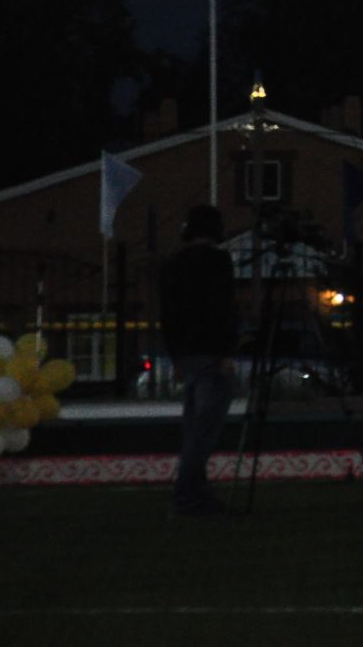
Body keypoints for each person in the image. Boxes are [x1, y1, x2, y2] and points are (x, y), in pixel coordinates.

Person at [159, 203, 238, 518]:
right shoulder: (218, 262)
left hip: (188, 355)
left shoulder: (173, 265)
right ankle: (188, 495)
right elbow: (222, 308)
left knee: (194, 426)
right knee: (204, 431)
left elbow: (169, 314)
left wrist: (176, 355)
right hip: (211, 355)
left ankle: (196, 494)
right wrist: (227, 351)